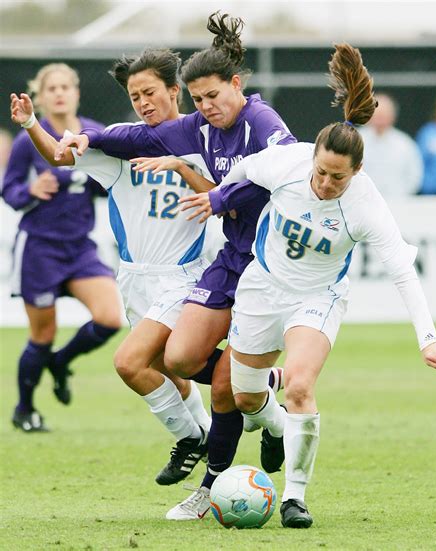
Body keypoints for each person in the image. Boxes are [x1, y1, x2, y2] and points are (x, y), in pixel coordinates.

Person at [181, 43, 436, 529]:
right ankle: (272, 422)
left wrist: (429, 340)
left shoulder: (366, 204)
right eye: (321, 172)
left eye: (338, 178)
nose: (326, 184)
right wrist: (221, 197)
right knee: (246, 398)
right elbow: (247, 169)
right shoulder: (288, 163)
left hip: (317, 298)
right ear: (310, 158)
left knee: (301, 384)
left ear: (356, 172)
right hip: (262, 287)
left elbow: (402, 271)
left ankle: (295, 497)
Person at [54, 11, 295, 520]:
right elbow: (133, 140)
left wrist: (217, 192)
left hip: (271, 268)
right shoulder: (195, 129)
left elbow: (286, 175)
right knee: (180, 359)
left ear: (236, 85)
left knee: (225, 384)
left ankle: (212, 488)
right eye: (201, 100)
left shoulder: (261, 121)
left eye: (213, 97)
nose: (208, 108)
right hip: (231, 259)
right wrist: (87, 139)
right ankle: (270, 407)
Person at [10, 49, 217, 481]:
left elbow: (224, 197)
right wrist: (31, 124)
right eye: (134, 94)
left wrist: (182, 167)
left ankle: (200, 435)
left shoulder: (203, 139)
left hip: (184, 276)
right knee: (167, 369)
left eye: (150, 92)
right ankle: (216, 433)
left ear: (175, 91)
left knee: (132, 362)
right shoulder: (122, 142)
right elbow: (59, 156)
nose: (142, 101)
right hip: (135, 278)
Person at [3, 63, 123, 432]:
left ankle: (60, 362)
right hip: (39, 249)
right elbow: (8, 189)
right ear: (39, 96)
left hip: (80, 248)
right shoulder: (28, 140)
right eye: (50, 88)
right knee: (42, 334)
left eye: (64, 86)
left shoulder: (93, 133)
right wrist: (30, 192)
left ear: (76, 92)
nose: (58, 93)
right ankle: (25, 409)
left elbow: (110, 182)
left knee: (110, 318)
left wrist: (97, 182)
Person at [359, 93, 423, 196]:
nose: (380, 119)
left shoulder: (405, 144)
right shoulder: (354, 141)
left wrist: (402, 195)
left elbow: (415, 175)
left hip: (398, 203)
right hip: (362, 202)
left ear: (392, 116)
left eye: (384, 115)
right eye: (377, 114)